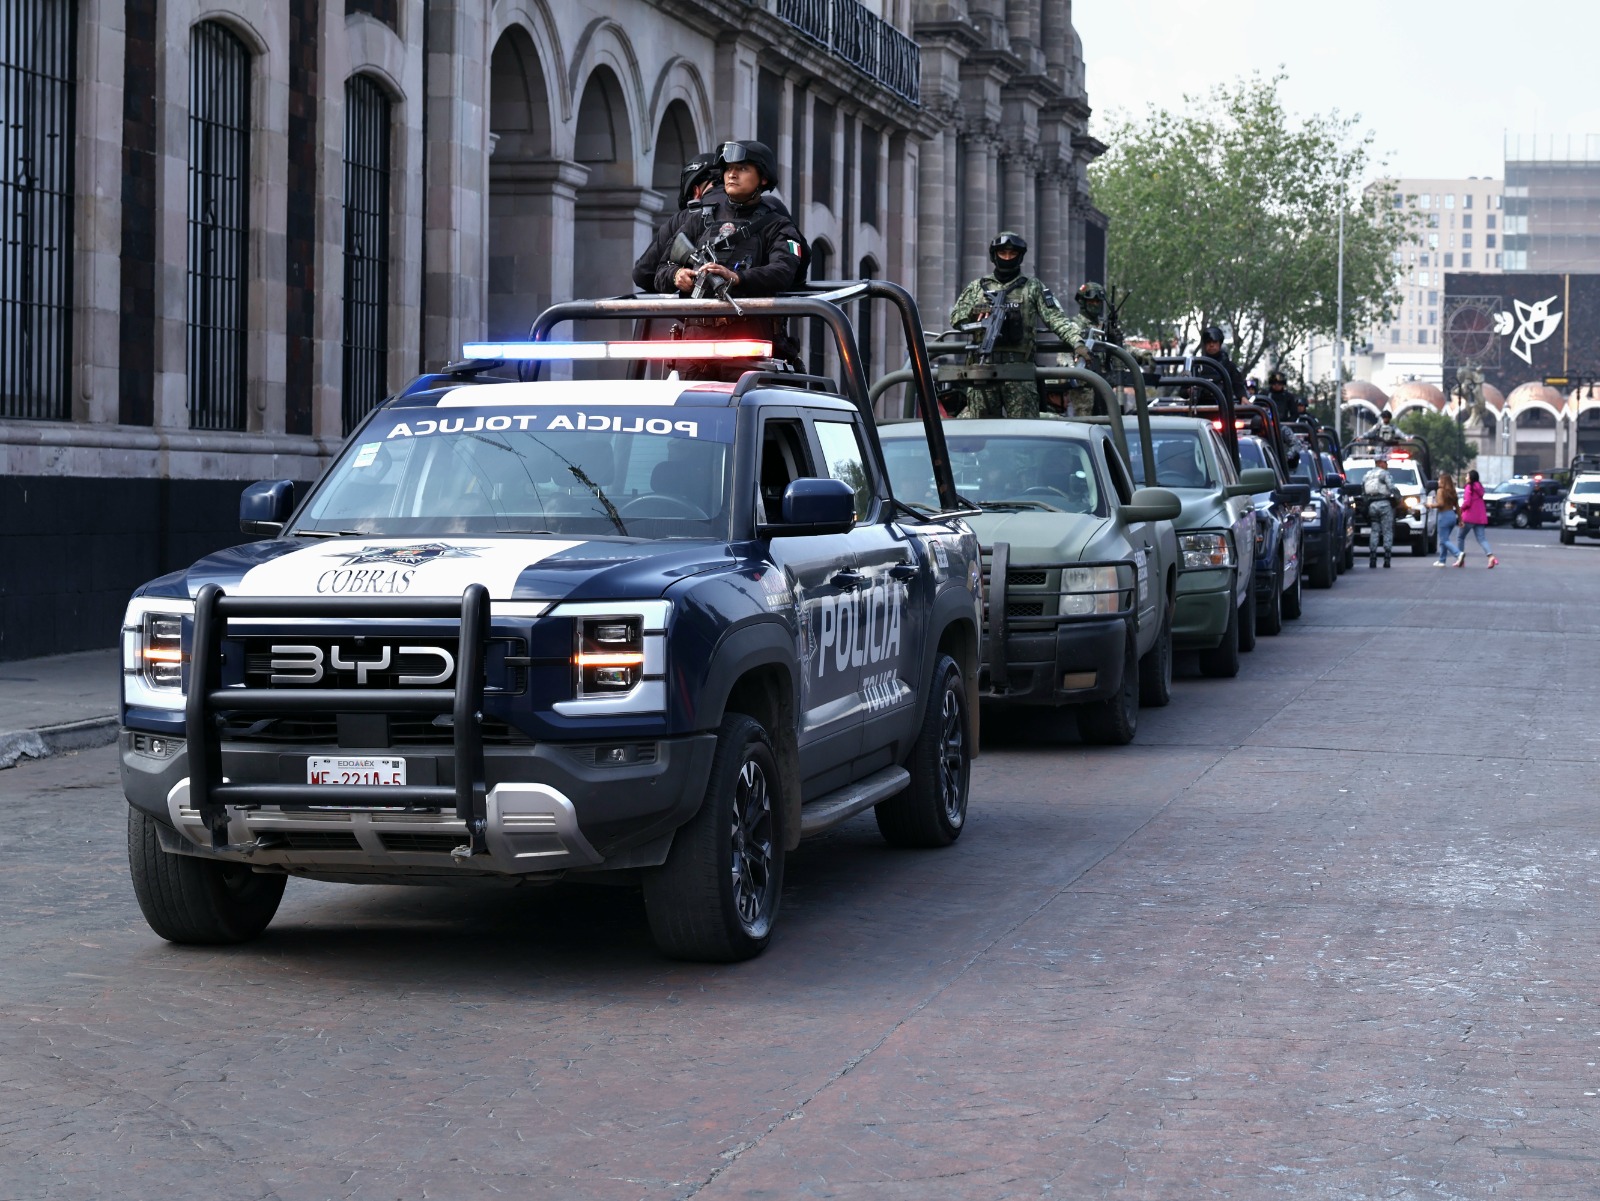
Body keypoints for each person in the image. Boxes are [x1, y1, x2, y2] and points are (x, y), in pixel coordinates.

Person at [632, 140, 804, 379]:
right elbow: (659, 269)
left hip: (747, 347)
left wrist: (737, 278)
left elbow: (783, 271)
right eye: (728, 169)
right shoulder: (701, 218)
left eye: (742, 168)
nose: (732, 174)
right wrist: (676, 276)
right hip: (695, 348)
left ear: (763, 178)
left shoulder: (778, 225)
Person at [950, 232, 1089, 418]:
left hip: (1019, 373)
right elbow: (956, 319)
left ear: (1020, 256)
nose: (1007, 258)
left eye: (1012, 254)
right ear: (994, 255)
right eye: (1003, 253)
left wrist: (1077, 343)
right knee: (980, 432)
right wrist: (975, 312)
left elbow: (1056, 318)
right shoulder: (978, 287)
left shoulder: (1032, 287)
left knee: (1024, 433)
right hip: (983, 370)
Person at [1363, 452, 1399, 568]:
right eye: (1385, 462)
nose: (1387, 464)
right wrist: (1399, 498)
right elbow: (1392, 487)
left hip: (1372, 505)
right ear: (1380, 463)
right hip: (1384, 504)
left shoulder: (1367, 475)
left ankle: (1372, 557)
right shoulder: (1384, 474)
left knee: (1374, 531)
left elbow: (1363, 491)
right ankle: (1387, 557)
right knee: (1387, 530)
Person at [1455, 469, 1498, 568]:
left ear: (1471, 478)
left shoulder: (1469, 487)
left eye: (1467, 476)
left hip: (1469, 517)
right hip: (1480, 517)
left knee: (1460, 537)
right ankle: (1490, 556)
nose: (1466, 478)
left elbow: (1467, 502)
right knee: (1482, 538)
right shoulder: (1480, 488)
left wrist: (1461, 510)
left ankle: (1460, 559)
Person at [1196, 325, 1247, 403]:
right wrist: (1189, 391)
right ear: (1205, 344)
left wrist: (1243, 397)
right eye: (1208, 342)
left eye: (1214, 342)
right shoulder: (1197, 366)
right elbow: (1183, 391)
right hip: (1200, 408)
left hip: (1225, 407)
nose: (1211, 345)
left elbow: (1238, 385)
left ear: (1220, 343)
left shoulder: (1229, 366)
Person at [1429, 471, 1461, 566]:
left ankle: (1458, 554)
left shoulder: (1440, 491)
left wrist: (1430, 505)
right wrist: (1461, 520)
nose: (1438, 481)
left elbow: (1440, 504)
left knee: (1444, 540)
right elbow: (1458, 507)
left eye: (1439, 479)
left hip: (1444, 516)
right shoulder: (1452, 492)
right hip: (1452, 516)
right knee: (1445, 539)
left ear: (1443, 481)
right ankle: (1442, 560)